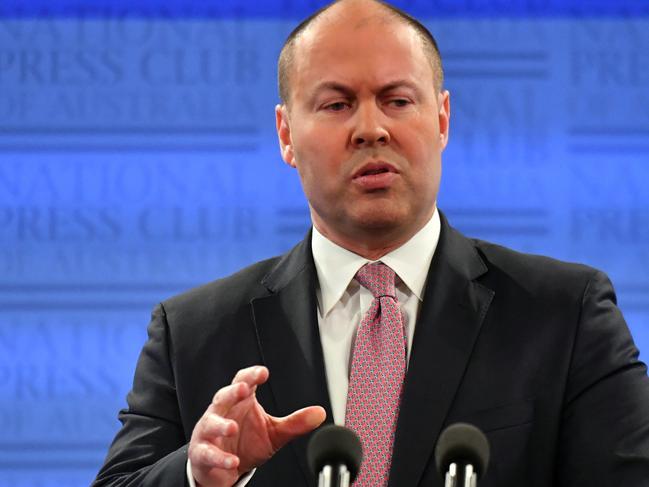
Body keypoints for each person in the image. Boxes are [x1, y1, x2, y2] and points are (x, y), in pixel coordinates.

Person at [92, 0, 649, 486]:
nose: (371, 129)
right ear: (286, 134)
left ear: (443, 119)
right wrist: (197, 473)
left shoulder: (564, 314)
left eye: (397, 100)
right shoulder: (193, 332)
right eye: (336, 104)